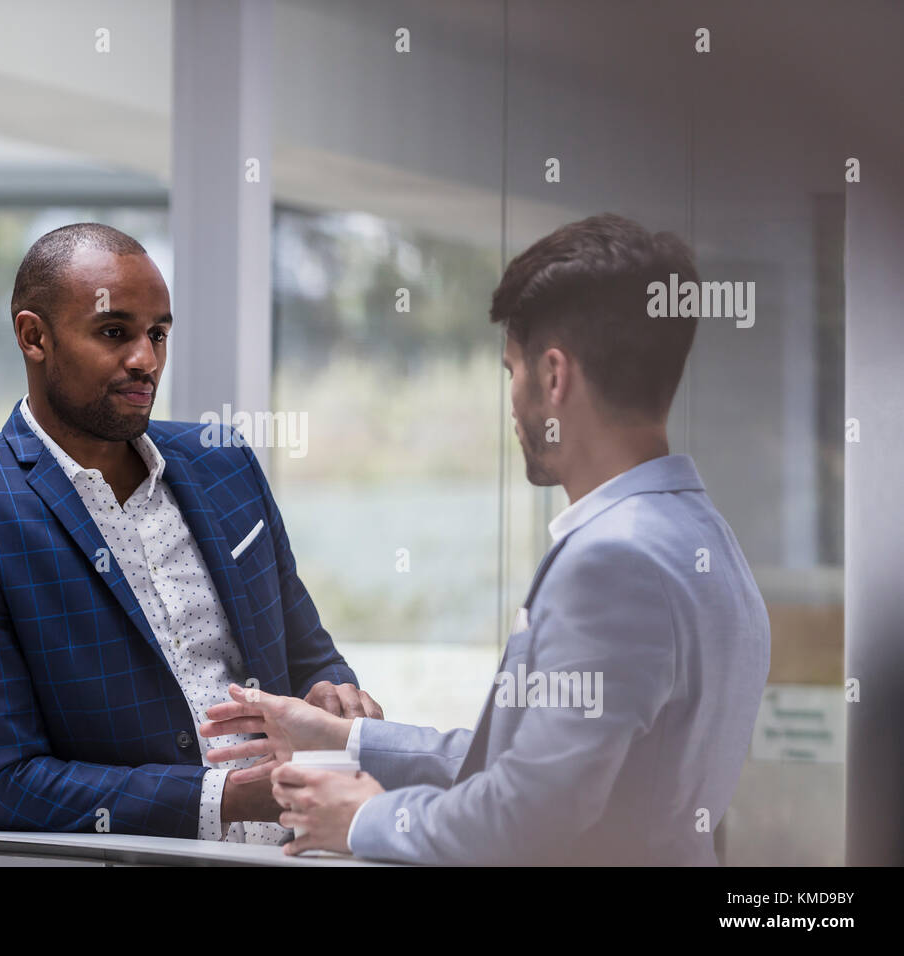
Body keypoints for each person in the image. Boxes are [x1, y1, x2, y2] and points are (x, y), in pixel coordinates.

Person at [200, 213, 771, 864]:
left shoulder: (614, 563)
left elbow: (525, 818)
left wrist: (361, 816)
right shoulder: (703, 534)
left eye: (511, 371)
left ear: (554, 376)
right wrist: (343, 739)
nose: (512, 402)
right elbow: (536, 767)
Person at [0, 223, 381, 843]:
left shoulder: (224, 463)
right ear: (34, 337)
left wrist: (337, 698)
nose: (145, 360)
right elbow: (8, 783)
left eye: (158, 333)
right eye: (114, 333)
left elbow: (307, 651)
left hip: (306, 851)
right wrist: (228, 798)